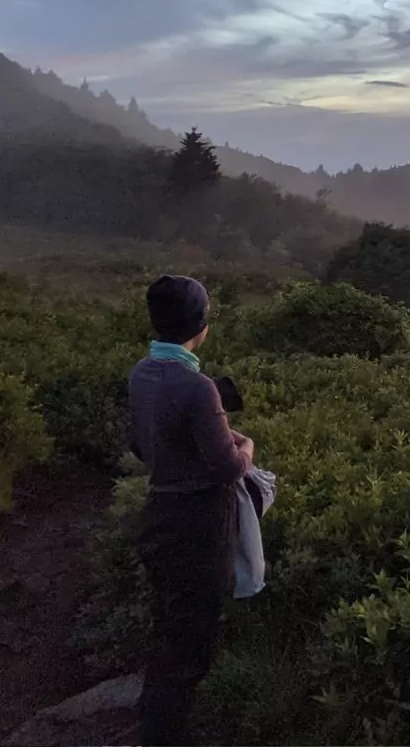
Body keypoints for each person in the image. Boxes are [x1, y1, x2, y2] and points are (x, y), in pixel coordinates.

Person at [128, 274, 254, 746]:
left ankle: (153, 715)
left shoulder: (141, 373)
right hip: (199, 525)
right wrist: (247, 447)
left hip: (159, 510)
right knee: (193, 638)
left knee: (168, 622)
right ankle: (165, 734)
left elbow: (141, 445)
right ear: (201, 325)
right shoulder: (199, 387)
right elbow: (226, 468)